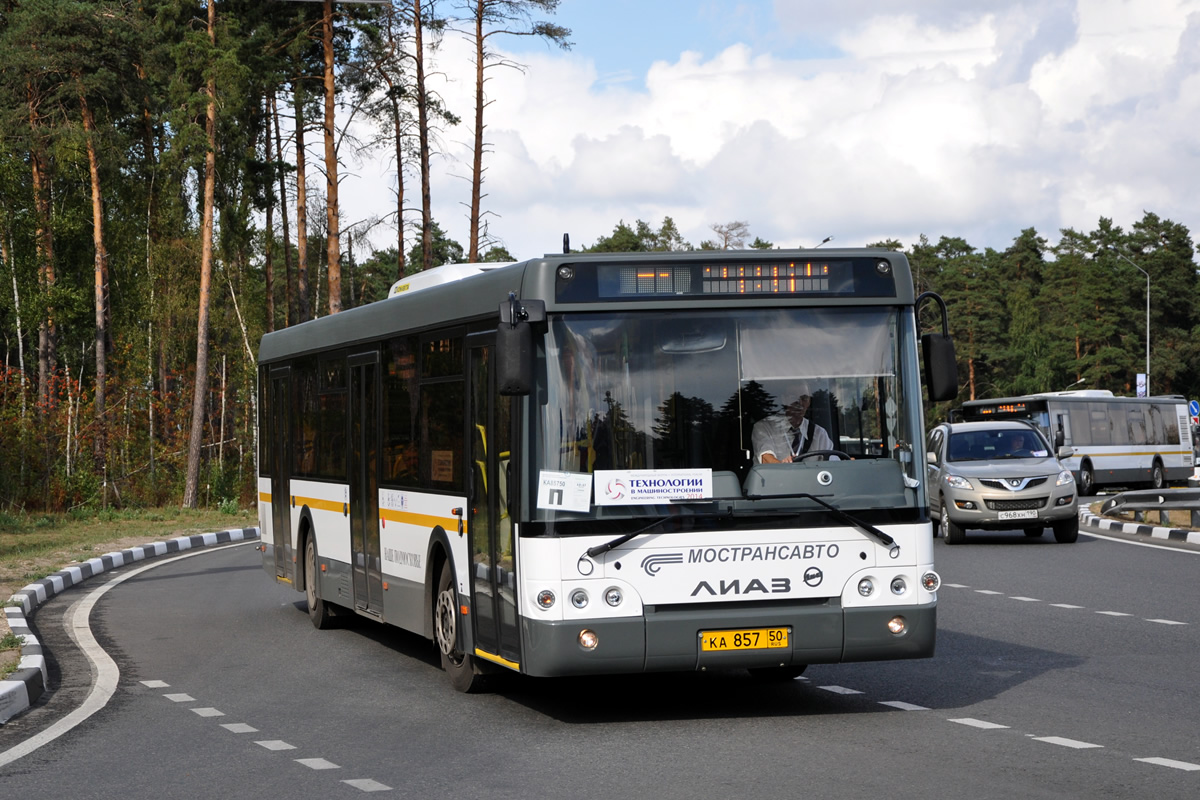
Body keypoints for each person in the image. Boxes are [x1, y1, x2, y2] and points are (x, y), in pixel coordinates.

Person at [752, 382, 838, 463]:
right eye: (793, 397)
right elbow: (765, 459)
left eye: (804, 398)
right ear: (784, 400)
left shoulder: (819, 434)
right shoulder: (765, 428)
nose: (799, 403)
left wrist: (848, 463)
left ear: (809, 402)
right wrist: (782, 467)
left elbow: (833, 464)